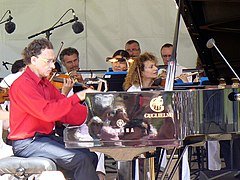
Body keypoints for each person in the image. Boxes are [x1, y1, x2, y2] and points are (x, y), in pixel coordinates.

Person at [8, 38, 99, 180]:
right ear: (33, 60)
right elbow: (48, 113)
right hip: (28, 143)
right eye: (48, 61)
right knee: (82, 160)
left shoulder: (45, 84)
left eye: (53, 61)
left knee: (90, 156)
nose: (53, 66)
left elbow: (63, 108)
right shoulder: (22, 85)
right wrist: (78, 96)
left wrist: (95, 114)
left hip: (43, 139)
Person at [60, 47, 106, 180]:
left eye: (75, 60)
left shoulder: (88, 77)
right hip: (67, 123)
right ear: (63, 64)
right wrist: (66, 89)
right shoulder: (60, 80)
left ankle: (99, 174)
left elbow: (97, 100)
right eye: (69, 62)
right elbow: (60, 105)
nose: (74, 65)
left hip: (88, 121)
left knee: (99, 136)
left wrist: (83, 84)